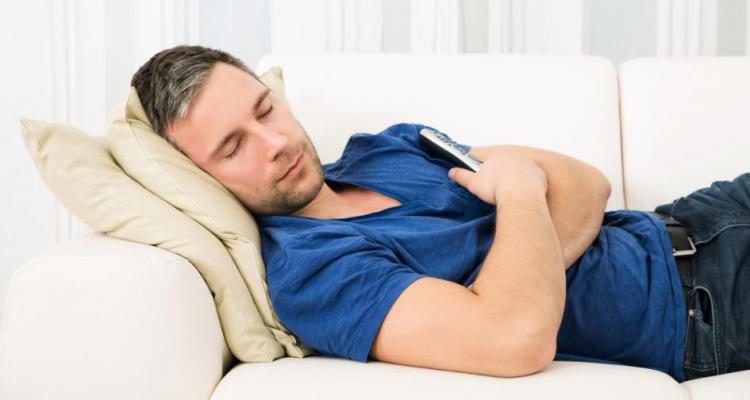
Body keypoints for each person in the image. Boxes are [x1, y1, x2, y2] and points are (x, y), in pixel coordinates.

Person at [130, 45, 749, 382]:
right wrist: (520, 194)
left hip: (702, 215)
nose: (275, 143)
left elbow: (585, 183)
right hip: (708, 313)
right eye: (233, 147)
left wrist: (518, 281)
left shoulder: (388, 146)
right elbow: (515, 337)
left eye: (266, 110)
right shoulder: (313, 272)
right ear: (199, 177)